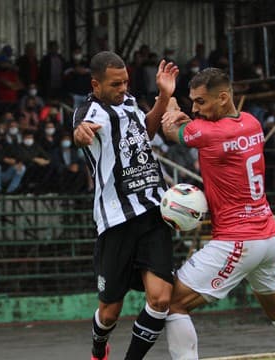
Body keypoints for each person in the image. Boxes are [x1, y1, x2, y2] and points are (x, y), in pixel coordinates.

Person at [160, 68, 275, 360]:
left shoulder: (208, 132)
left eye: (201, 102)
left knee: (172, 304)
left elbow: (170, 128)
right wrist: (190, 119)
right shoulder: (252, 123)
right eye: (191, 102)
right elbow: (195, 128)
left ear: (223, 97)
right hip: (268, 237)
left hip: (236, 240)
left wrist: (168, 96)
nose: (195, 109)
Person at [73, 51, 179, 360]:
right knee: (109, 313)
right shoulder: (88, 111)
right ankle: (98, 346)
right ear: (96, 84)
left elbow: (144, 132)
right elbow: (81, 133)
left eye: (126, 82)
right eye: (116, 84)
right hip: (116, 222)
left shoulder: (130, 103)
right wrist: (80, 136)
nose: (122, 89)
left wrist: (163, 97)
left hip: (153, 214)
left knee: (160, 299)